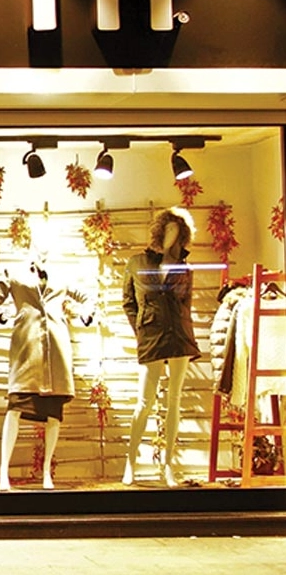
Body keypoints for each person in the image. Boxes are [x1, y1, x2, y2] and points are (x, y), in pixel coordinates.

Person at [0, 255, 91, 490]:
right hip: (26, 348)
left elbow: (86, 297)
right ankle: (4, 470)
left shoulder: (62, 275)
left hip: (56, 350)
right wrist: (3, 315)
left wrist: (87, 312)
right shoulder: (14, 273)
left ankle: (46, 472)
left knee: (53, 413)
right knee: (15, 407)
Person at [122, 207, 200, 487]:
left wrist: (185, 332)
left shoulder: (184, 268)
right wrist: (141, 331)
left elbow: (185, 306)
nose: (171, 237)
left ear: (183, 237)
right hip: (152, 336)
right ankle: (130, 462)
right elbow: (128, 302)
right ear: (159, 231)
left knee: (174, 401)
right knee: (144, 402)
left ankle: (168, 465)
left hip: (179, 336)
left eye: (177, 232)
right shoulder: (137, 262)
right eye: (168, 230)